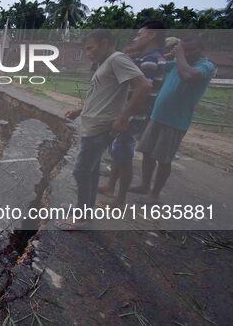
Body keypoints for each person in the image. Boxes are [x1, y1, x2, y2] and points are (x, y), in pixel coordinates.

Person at [55, 30, 152, 230]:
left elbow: (143, 86)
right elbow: (101, 96)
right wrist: (79, 110)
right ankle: (84, 210)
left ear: (105, 42)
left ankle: (81, 217)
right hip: (92, 125)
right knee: (90, 170)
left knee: (81, 170)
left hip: (100, 127)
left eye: (90, 48)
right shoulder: (105, 64)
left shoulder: (117, 59)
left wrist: (123, 117)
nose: (88, 53)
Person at [130, 34, 216, 203]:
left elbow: (189, 76)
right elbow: (157, 66)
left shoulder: (205, 66)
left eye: (191, 50)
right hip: (157, 116)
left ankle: (154, 194)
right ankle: (145, 185)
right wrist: (165, 55)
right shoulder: (177, 63)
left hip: (175, 122)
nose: (188, 53)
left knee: (163, 159)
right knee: (147, 152)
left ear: (202, 50)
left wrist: (180, 55)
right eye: (185, 49)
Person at [98, 21, 166, 206]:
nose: (136, 38)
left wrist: (123, 117)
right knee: (118, 152)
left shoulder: (151, 60)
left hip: (133, 116)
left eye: (139, 35)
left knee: (124, 157)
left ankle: (120, 199)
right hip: (132, 114)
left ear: (151, 35)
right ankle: (110, 186)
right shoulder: (148, 57)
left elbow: (143, 90)